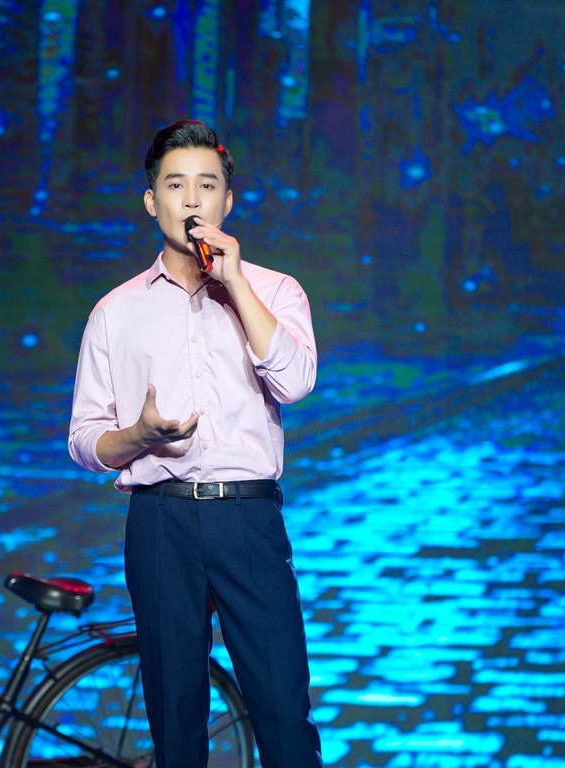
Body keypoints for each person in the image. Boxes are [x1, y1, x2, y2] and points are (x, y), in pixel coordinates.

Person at [68, 119, 324, 768]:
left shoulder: (275, 290)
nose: (190, 199)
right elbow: (84, 438)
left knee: (282, 708)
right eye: (174, 185)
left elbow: (296, 382)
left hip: (247, 515)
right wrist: (139, 436)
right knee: (175, 719)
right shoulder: (115, 311)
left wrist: (235, 281)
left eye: (206, 185)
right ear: (150, 200)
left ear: (227, 201)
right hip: (161, 520)